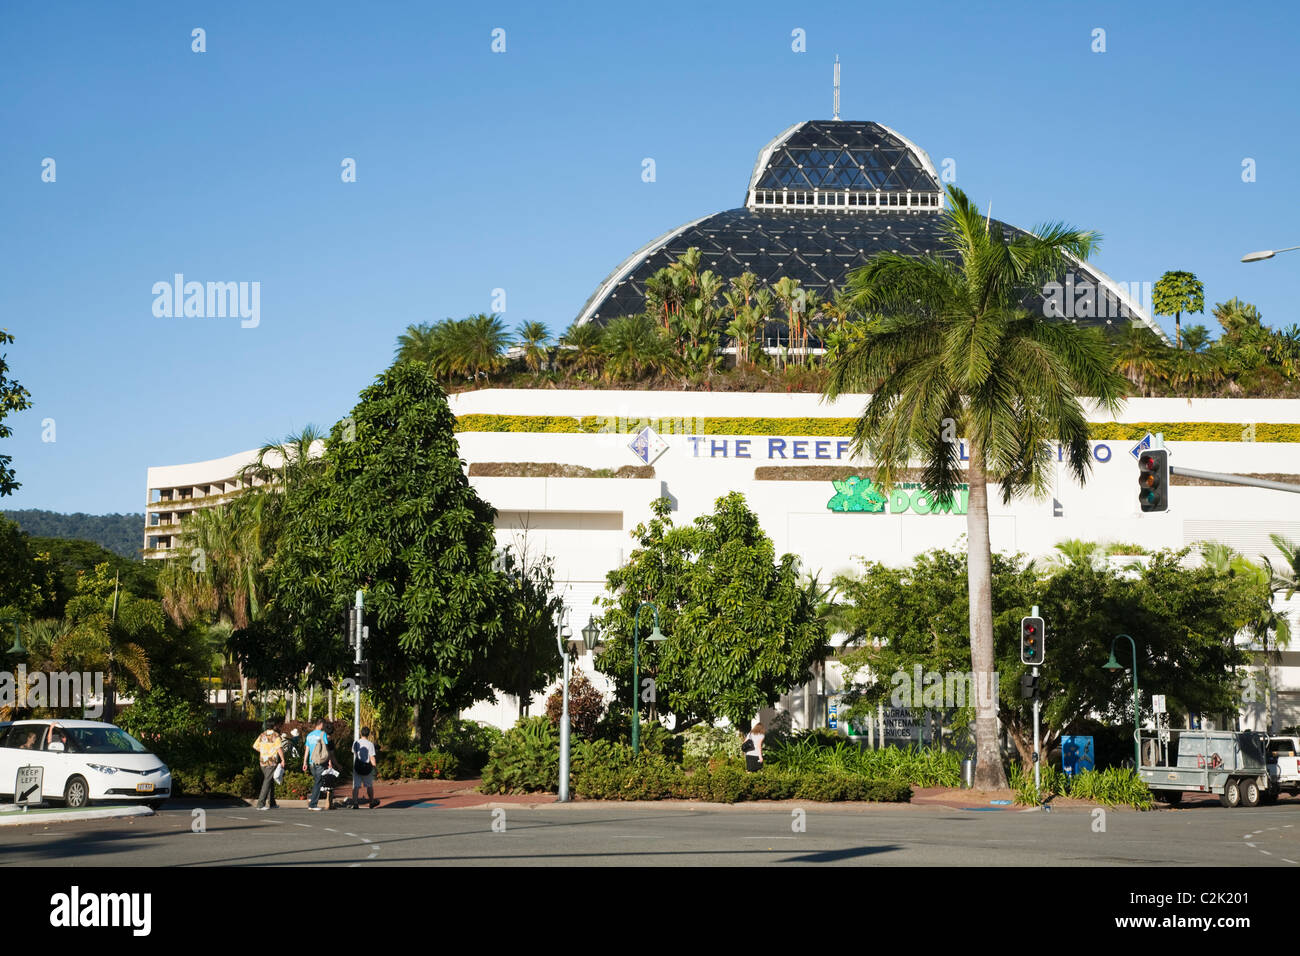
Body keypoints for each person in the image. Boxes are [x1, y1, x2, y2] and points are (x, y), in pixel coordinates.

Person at [253, 719, 286, 810]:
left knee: (270, 781)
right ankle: (260, 804)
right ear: (274, 726)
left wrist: (264, 751)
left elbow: (255, 746)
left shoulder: (262, 735)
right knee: (267, 781)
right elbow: (279, 748)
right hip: (271, 761)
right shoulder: (276, 736)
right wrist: (283, 759)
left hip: (263, 761)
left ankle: (272, 803)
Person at [302, 718, 331, 811]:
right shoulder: (323, 734)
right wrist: (329, 761)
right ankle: (313, 804)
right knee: (318, 783)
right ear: (321, 724)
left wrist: (304, 762)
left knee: (317, 781)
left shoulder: (309, 735)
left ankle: (312, 800)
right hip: (320, 761)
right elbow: (326, 749)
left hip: (311, 762)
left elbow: (307, 749)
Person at [350, 727, 380, 809]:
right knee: (369, 785)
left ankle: (355, 803)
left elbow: (354, 752)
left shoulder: (356, 743)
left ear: (361, 733)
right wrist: (374, 767)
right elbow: (372, 757)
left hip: (357, 766)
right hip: (367, 767)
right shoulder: (370, 744)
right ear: (368, 734)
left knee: (356, 786)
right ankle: (371, 802)